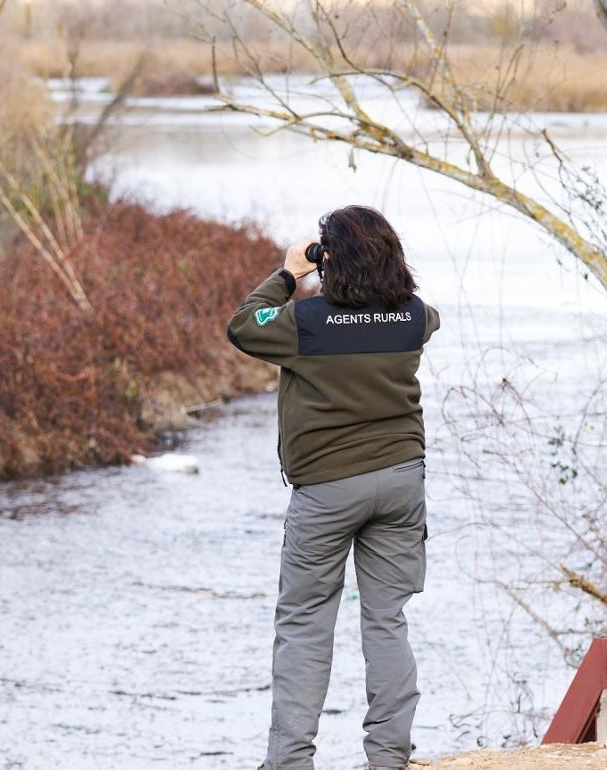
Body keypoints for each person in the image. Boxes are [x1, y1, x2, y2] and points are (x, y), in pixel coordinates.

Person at [227, 205, 440, 770]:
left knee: (304, 624)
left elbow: (245, 324)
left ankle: (291, 761)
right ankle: (389, 758)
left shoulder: (307, 323)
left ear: (331, 261)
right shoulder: (415, 317)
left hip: (325, 490)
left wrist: (290, 273)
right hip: (400, 481)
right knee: (387, 618)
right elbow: (424, 315)